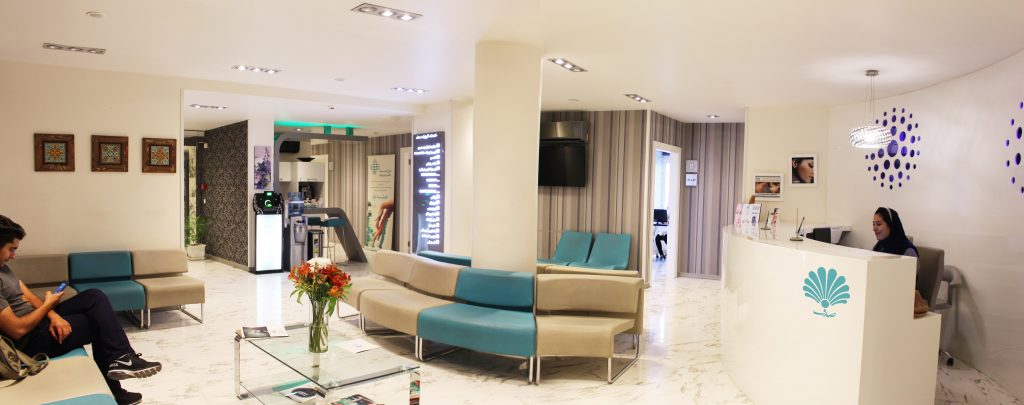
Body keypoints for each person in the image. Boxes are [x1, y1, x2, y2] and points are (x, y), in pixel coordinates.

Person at [0, 215, 161, 405]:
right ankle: (117, 388)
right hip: (28, 342)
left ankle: (123, 357)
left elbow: (29, 296)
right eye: (11, 249)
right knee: (97, 324)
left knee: (94, 296)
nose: (14, 255)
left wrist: (53, 315)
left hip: (38, 322)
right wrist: (48, 305)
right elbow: (17, 330)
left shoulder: (4, 269)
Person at [869, 207, 928, 318]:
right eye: (873, 224)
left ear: (891, 225)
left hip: (901, 302)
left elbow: (904, 283)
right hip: (882, 298)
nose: (874, 228)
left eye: (879, 224)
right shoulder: (879, 246)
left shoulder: (907, 250)